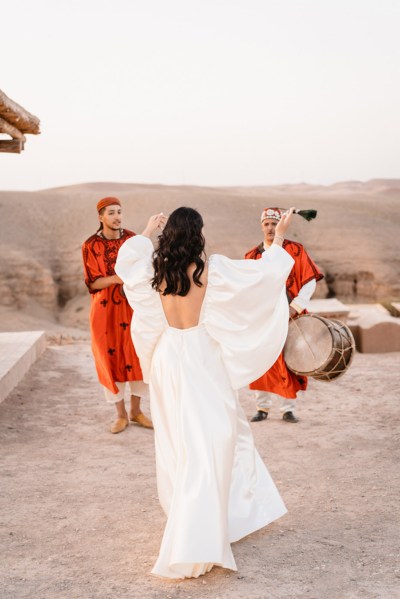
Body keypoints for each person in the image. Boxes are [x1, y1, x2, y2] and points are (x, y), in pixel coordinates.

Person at [115, 206, 295, 579]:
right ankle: (198, 530)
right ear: (197, 233)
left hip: (169, 358)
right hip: (200, 358)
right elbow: (265, 275)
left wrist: (147, 228)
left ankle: (207, 518)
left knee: (181, 442)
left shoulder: (154, 269)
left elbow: (127, 258)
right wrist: (279, 237)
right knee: (218, 438)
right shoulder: (210, 269)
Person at [245, 207, 324, 424]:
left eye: (274, 224)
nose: (270, 228)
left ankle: (288, 408)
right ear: (261, 226)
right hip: (265, 318)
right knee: (262, 361)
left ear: (280, 225)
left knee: (291, 359)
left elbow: (308, 281)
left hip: (293, 315)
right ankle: (262, 407)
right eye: (266, 224)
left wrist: (294, 307)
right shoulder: (252, 256)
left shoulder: (296, 250)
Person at [82, 196, 152, 434]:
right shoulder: (90, 245)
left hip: (133, 306)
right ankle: (120, 415)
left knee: (137, 354)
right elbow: (93, 283)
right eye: (111, 212)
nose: (117, 216)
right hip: (104, 311)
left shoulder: (133, 240)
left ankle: (137, 411)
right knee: (109, 358)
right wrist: (119, 277)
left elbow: (143, 268)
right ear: (101, 217)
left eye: (119, 211)